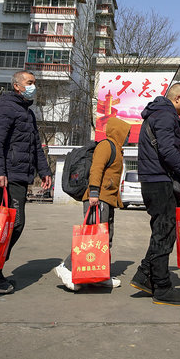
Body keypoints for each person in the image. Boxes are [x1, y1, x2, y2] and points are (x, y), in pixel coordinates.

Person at [130, 83, 180, 306]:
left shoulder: (159, 114)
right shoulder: (165, 116)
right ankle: (161, 288)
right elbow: (167, 150)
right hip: (159, 181)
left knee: (163, 232)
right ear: (178, 97)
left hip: (155, 180)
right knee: (164, 232)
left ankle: (145, 276)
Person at [0, 70, 52, 294]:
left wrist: (44, 170)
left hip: (20, 176)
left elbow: (35, 146)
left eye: (34, 83)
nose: (33, 86)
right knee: (14, 224)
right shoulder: (5, 107)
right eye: (29, 82)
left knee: (10, 225)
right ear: (17, 86)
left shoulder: (27, 112)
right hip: (8, 177)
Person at [54, 117, 131, 291]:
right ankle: (66, 267)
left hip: (108, 199)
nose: (127, 137)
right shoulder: (106, 145)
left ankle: (99, 274)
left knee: (104, 238)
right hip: (98, 198)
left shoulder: (118, 149)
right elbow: (96, 168)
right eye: (125, 133)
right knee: (91, 238)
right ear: (118, 131)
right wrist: (94, 191)